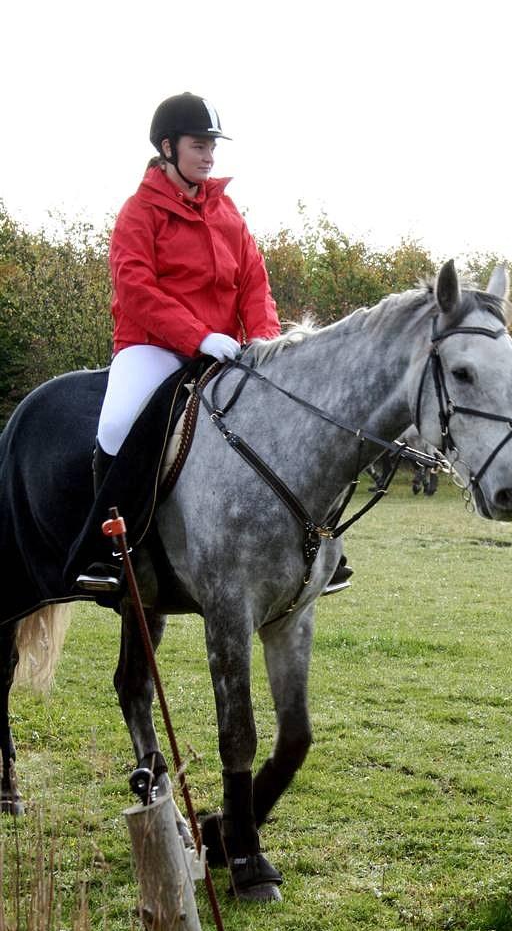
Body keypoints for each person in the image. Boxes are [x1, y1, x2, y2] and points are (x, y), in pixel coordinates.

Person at [76, 92, 352, 595]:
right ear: (167, 147)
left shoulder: (227, 213)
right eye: (199, 145)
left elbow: (254, 282)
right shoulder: (139, 212)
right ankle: (108, 555)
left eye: (212, 147)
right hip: (154, 345)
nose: (208, 155)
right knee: (118, 423)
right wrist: (197, 335)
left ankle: (323, 546)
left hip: (226, 349)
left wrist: (266, 347)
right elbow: (137, 290)